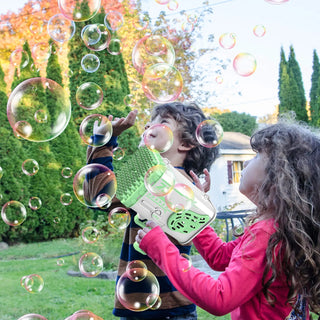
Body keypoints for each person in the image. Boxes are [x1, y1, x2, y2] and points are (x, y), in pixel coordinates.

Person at [136, 119, 320, 320]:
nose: (248, 162)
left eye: (257, 155)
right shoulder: (280, 229)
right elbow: (220, 256)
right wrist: (194, 211)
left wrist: (160, 248)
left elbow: (220, 297)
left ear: (279, 176)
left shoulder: (266, 232)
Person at [85, 101, 219, 319]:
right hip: (149, 305)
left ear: (186, 143)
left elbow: (100, 194)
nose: (148, 126)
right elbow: (97, 195)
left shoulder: (162, 182)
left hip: (165, 311)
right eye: (149, 123)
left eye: (162, 122)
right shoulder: (153, 178)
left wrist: (105, 140)